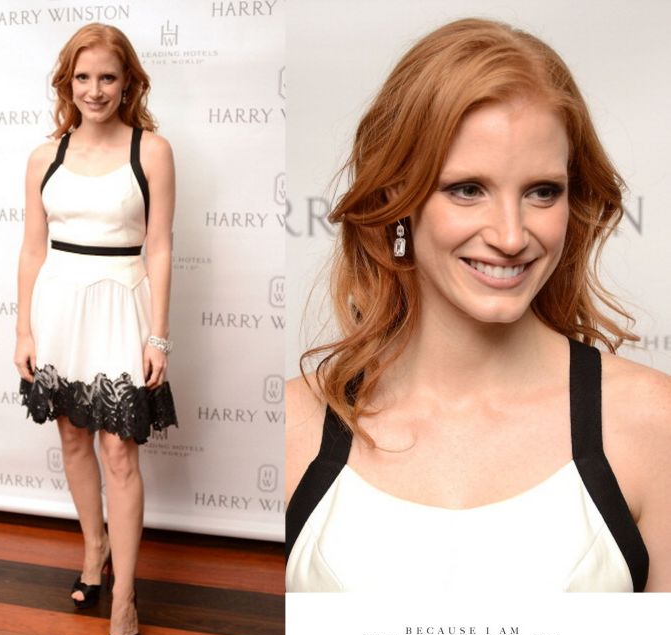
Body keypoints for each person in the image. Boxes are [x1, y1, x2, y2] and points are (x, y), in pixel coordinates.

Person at [285, 18, 670, 592]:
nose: (511, 236)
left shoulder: (652, 422)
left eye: (543, 191)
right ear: (396, 196)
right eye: (468, 190)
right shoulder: (295, 421)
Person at [14, 23, 177, 635]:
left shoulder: (152, 150)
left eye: (107, 76)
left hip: (122, 305)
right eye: (83, 77)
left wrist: (157, 334)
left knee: (119, 452)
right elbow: (32, 249)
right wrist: (24, 329)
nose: (95, 90)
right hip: (59, 306)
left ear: (127, 81)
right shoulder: (44, 156)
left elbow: (159, 247)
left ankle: (126, 599)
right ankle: (93, 550)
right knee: (74, 437)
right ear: (68, 83)